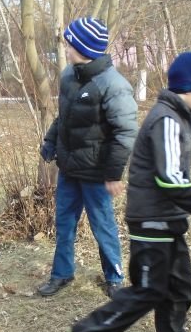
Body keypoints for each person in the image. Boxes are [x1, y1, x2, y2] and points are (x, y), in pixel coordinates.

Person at [69, 52, 191, 332]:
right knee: (148, 290)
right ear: (190, 87)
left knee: (180, 288)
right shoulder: (166, 120)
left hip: (169, 221)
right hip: (151, 222)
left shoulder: (179, 117)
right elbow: (171, 181)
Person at [38, 17, 138, 299]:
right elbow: (64, 117)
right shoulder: (69, 76)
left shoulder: (114, 85)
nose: (66, 49)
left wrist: (113, 174)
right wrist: (50, 141)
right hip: (69, 169)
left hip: (96, 172)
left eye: (69, 44)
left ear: (82, 48)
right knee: (64, 224)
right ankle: (62, 273)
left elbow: (125, 133)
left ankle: (114, 278)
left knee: (103, 226)